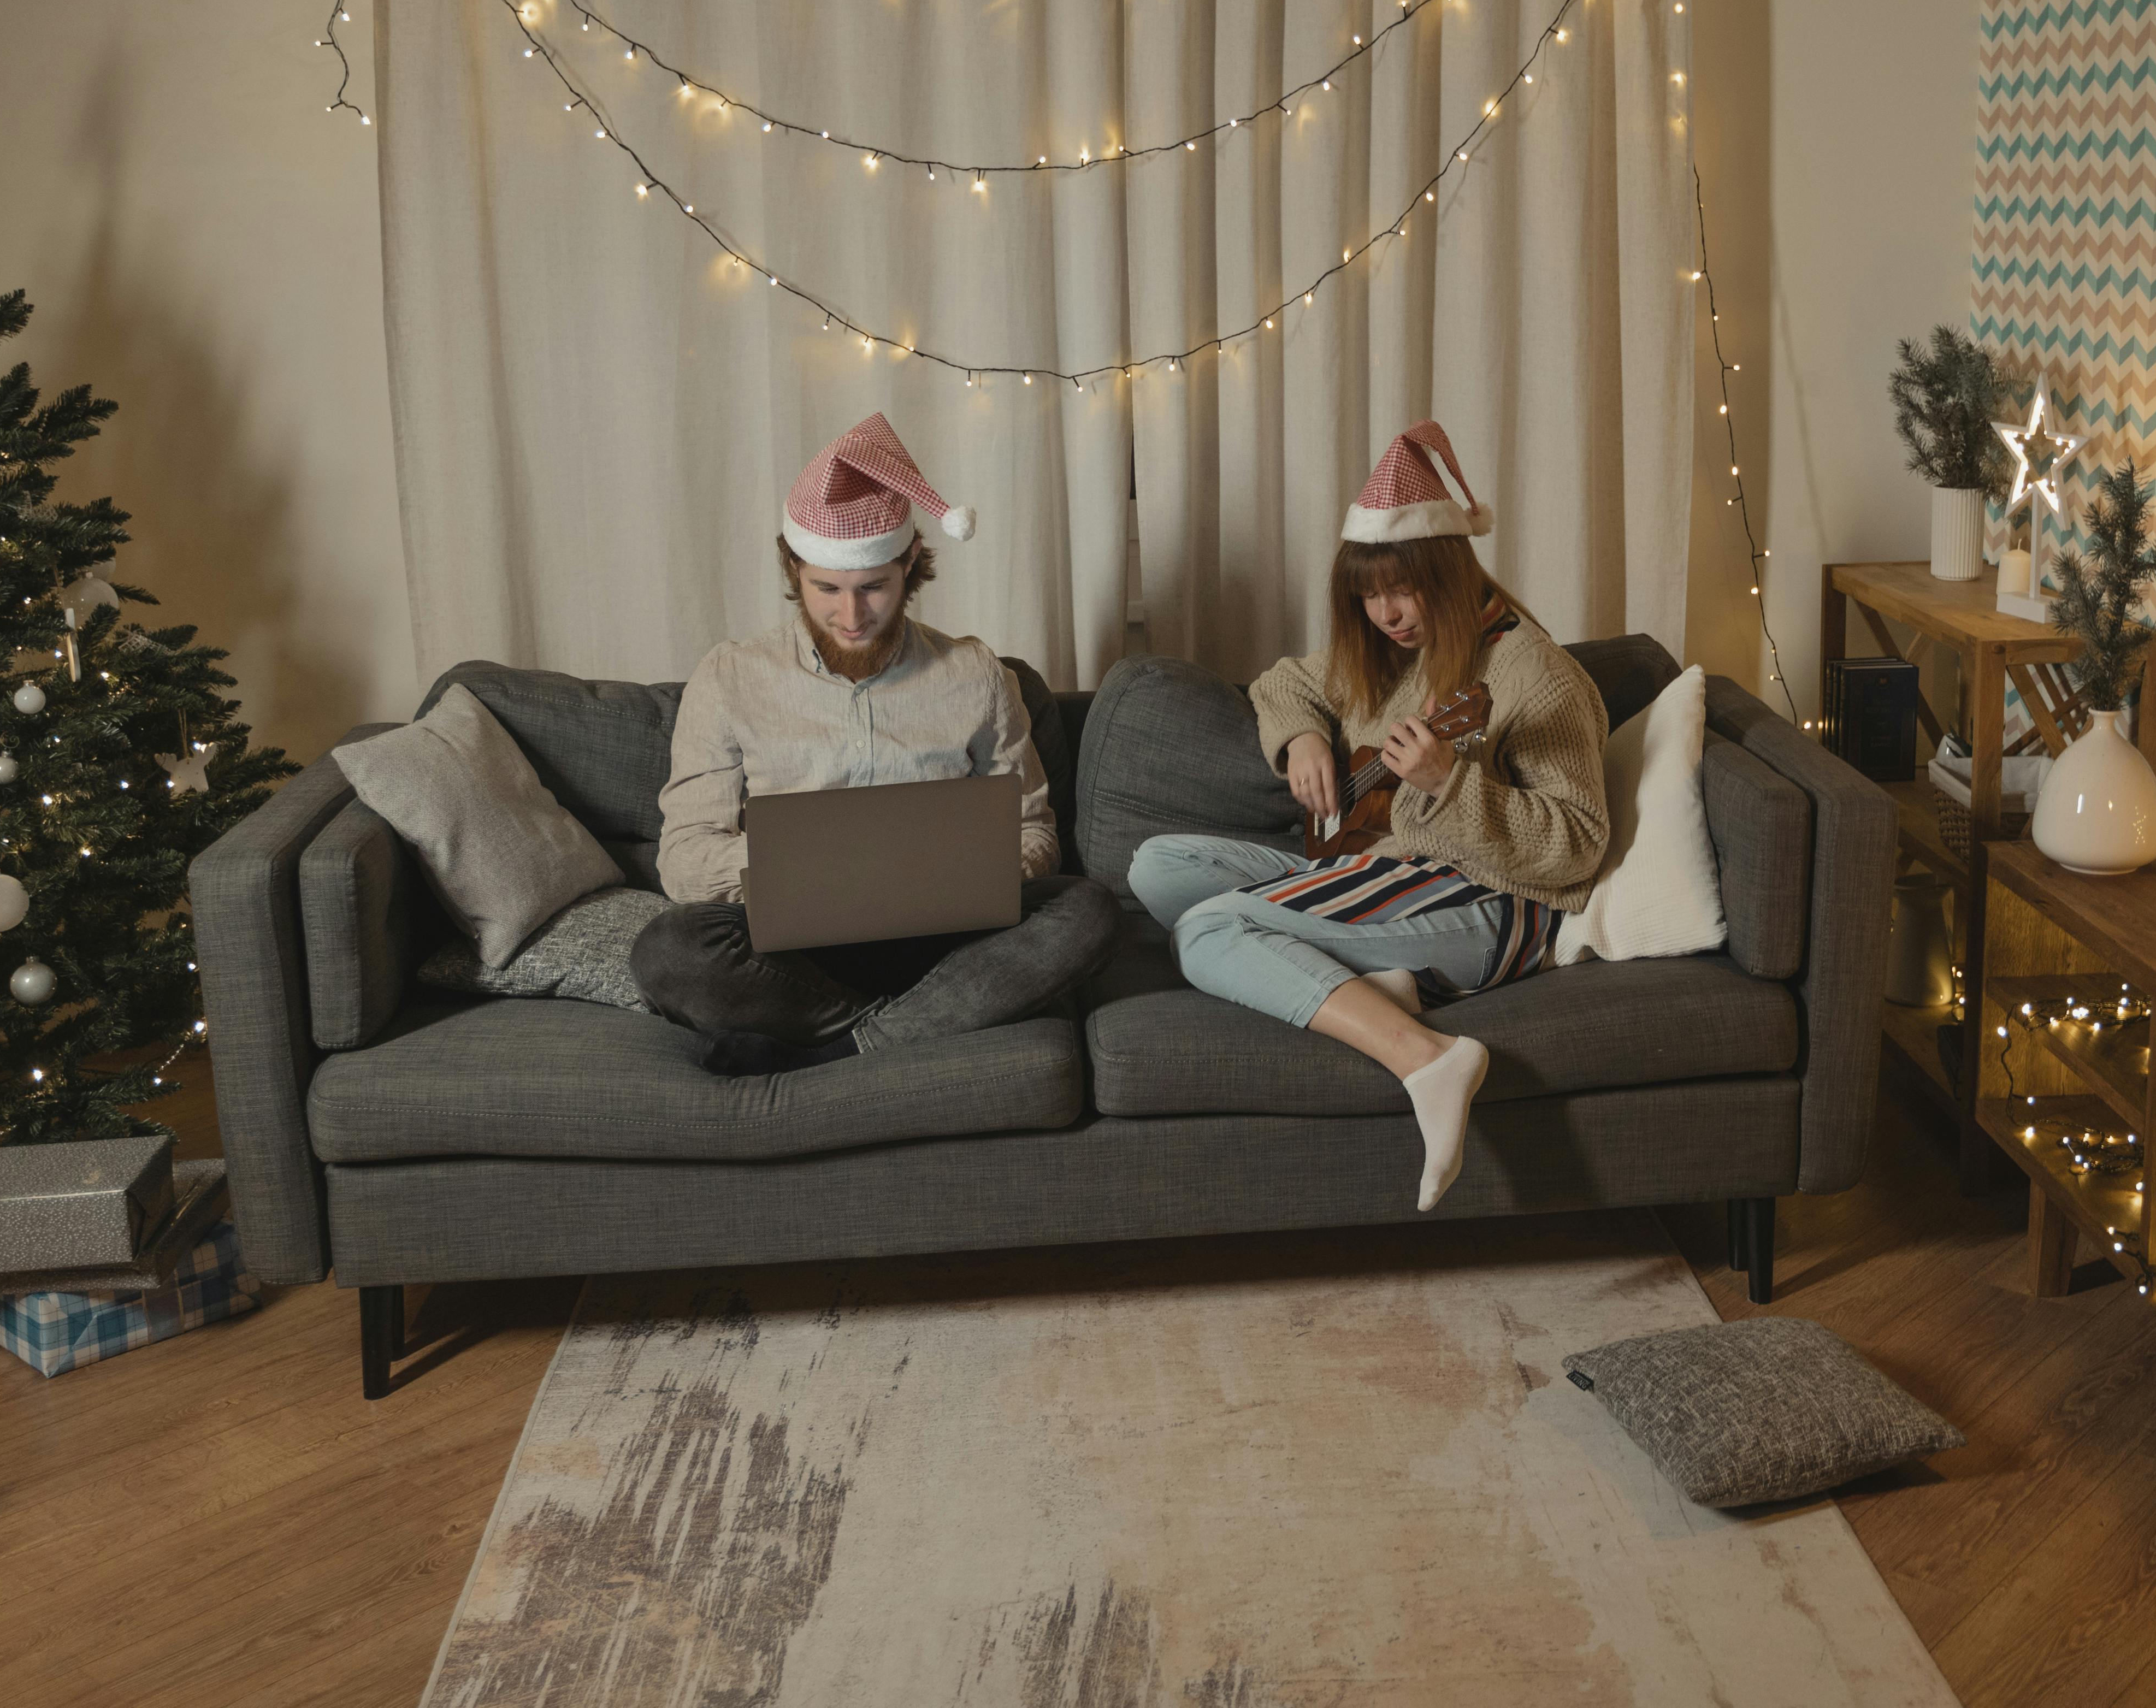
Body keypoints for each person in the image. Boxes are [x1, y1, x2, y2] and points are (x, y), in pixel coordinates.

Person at [1127, 422, 1610, 1211]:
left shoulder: (1537, 676)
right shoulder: (1386, 654)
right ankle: (1372, 981)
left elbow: (1578, 846)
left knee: (1208, 930)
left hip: (1492, 900)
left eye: (1401, 589)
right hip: (1379, 866)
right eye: (1367, 594)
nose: (1384, 613)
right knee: (1157, 864)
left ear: (1449, 569)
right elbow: (1282, 682)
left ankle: (1427, 1056)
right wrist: (1304, 740)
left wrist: (1451, 781)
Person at [634, 413, 1118, 1075]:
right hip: (794, 949)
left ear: (910, 563)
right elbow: (684, 859)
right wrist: (796, 863)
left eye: (873, 589)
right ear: (793, 566)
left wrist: (974, 867)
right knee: (667, 950)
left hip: (949, 939)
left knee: (1086, 909)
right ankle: (930, 1021)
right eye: (825, 589)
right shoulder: (729, 677)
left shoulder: (976, 675)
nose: (851, 616)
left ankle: (841, 1049)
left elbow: (1034, 830)